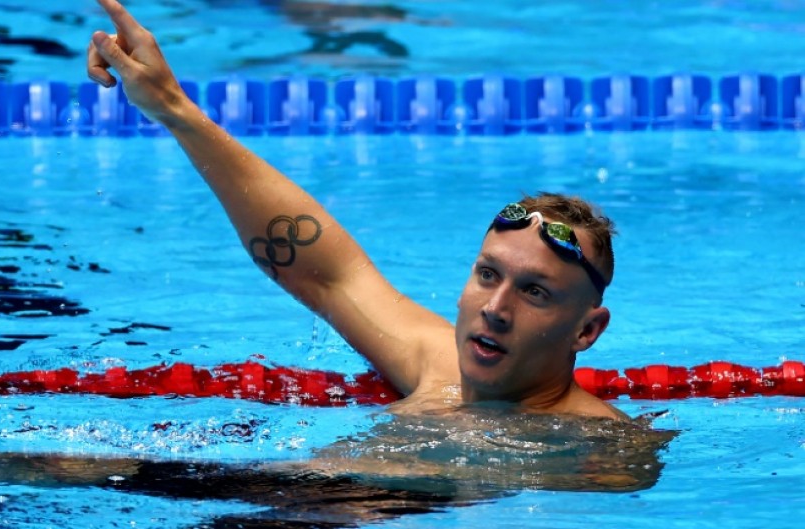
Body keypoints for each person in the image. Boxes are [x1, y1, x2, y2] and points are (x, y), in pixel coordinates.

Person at [86, 0, 626, 421]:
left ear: (586, 331)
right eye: (488, 275)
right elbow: (324, 272)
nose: (495, 308)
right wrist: (173, 109)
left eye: (534, 292)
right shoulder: (438, 365)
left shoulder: (604, 453)